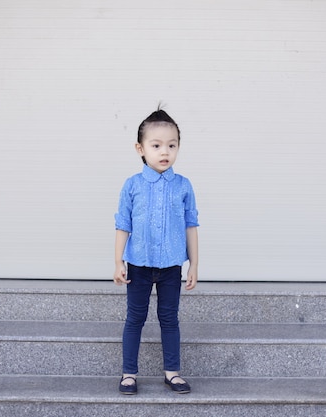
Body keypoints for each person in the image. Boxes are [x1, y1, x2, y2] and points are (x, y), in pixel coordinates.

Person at [113, 107, 199, 395]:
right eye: (157, 145)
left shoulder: (183, 186)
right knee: (134, 318)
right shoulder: (132, 185)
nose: (165, 152)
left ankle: (172, 373)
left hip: (171, 267)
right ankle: (128, 374)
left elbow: (191, 226)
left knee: (169, 319)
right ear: (140, 148)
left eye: (172, 145)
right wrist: (118, 262)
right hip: (138, 264)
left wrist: (194, 265)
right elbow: (122, 225)